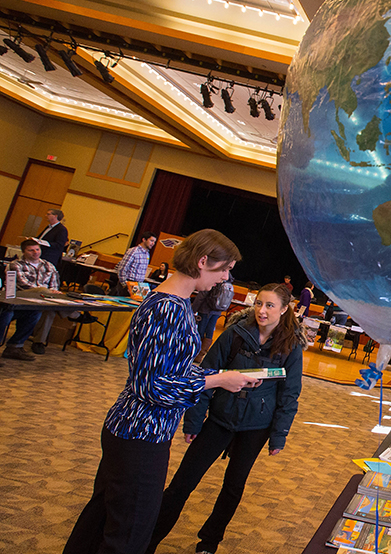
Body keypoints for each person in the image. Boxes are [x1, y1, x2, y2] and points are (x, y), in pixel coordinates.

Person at [63, 229, 258, 554]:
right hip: (141, 434)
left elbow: (172, 368)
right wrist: (217, 381)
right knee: (129, 534)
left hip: (133, 430)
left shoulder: (174, 302)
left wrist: (221, 374)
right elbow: (152, 384)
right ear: (202, 261)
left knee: (101, 520)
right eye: (224, 269)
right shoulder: (167, 308)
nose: (226, 278)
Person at [145, 283, 305, 554]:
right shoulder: (235, 334)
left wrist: (279, 435)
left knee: (233, 488)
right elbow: (205, 377)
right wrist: (194, 422)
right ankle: (148, 541)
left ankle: (208, 544)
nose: (262, 311)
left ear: (285, 309)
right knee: (182, 483)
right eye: (258, 304)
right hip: (219, 419)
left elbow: (289, 397)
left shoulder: (291, 348)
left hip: (255, 428)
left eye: (269, 306)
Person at [0, 239, 60, 362]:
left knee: (35, 313)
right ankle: (75, 313)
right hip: (17, 299)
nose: (35, 252)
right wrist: (46, 291)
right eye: (31, 250)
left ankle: (15, 347)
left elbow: (55, 285)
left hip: (39, 301)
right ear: (23, 252)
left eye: (37, 249)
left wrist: (51, 291)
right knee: (6, 314)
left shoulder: (49, 265)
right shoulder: (15, 265)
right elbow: (23, 285)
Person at [192, 272, 235, 360]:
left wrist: (193, 310)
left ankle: (195, 352)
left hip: (205, 310)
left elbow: (201, 296)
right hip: (217, 311)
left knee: (200, 331)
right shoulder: (228, 281)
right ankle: (201, 355)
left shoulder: (213, 279)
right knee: (210, 332)